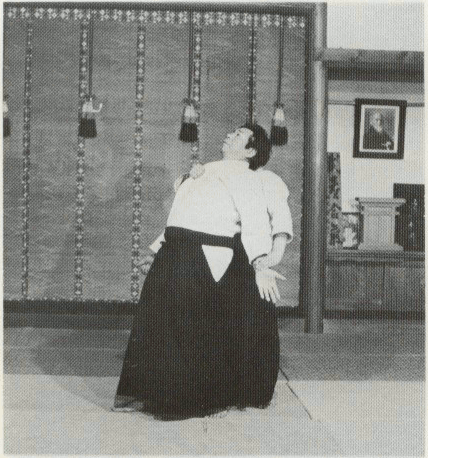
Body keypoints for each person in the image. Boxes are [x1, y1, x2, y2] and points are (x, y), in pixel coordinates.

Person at [113, 125, 286, 420]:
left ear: (250, 151)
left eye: (238, 135)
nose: (229, 134)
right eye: (232, 131)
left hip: (205, 255)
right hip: (175, 251)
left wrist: (260, 263)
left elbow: (255, 222)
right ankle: (159, 395)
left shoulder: (246, 177)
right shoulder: (204, 170)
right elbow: (182, 215)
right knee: (161, 322)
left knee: (186, 327)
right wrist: (156, 250)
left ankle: (187, 401)